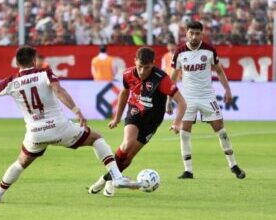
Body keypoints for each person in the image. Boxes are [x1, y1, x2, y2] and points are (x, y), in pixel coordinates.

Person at [0, 45, 139, 204]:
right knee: (96, 138)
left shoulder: (11, 81)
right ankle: (117, 177)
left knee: (20, 163)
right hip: (60, 128)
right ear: (34, 60)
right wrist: (77, 111)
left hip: (35, 133)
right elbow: (59, 91)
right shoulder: (44, 73)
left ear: (17, 63)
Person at [88, 47, 187, 197]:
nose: (142, 71)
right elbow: (124, 93)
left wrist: (177, 122)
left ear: (153, 64)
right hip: (135, 111)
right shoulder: (128, 74)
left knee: (128, 158)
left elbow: (182, 102)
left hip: (152, 121)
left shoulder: (161, 79)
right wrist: (117, 117)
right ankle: (113, 179)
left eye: (146, 68)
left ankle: (106, 180)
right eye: (139, 66)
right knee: (128, 143)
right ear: (135, 61)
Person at [167, 21, 246, 179]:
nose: (194, 36)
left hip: (207, 96)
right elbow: (174, 76)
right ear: (186, 33)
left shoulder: (209, 50)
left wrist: (228, 89)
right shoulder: (180, 52)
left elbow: (219, 71)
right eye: (191, 33)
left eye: (197, 33)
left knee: (221, 131)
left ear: (201, 34)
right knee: (184, 133)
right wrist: (169, 98)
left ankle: (233, 165)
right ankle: (188, 170)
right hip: (187, 98)